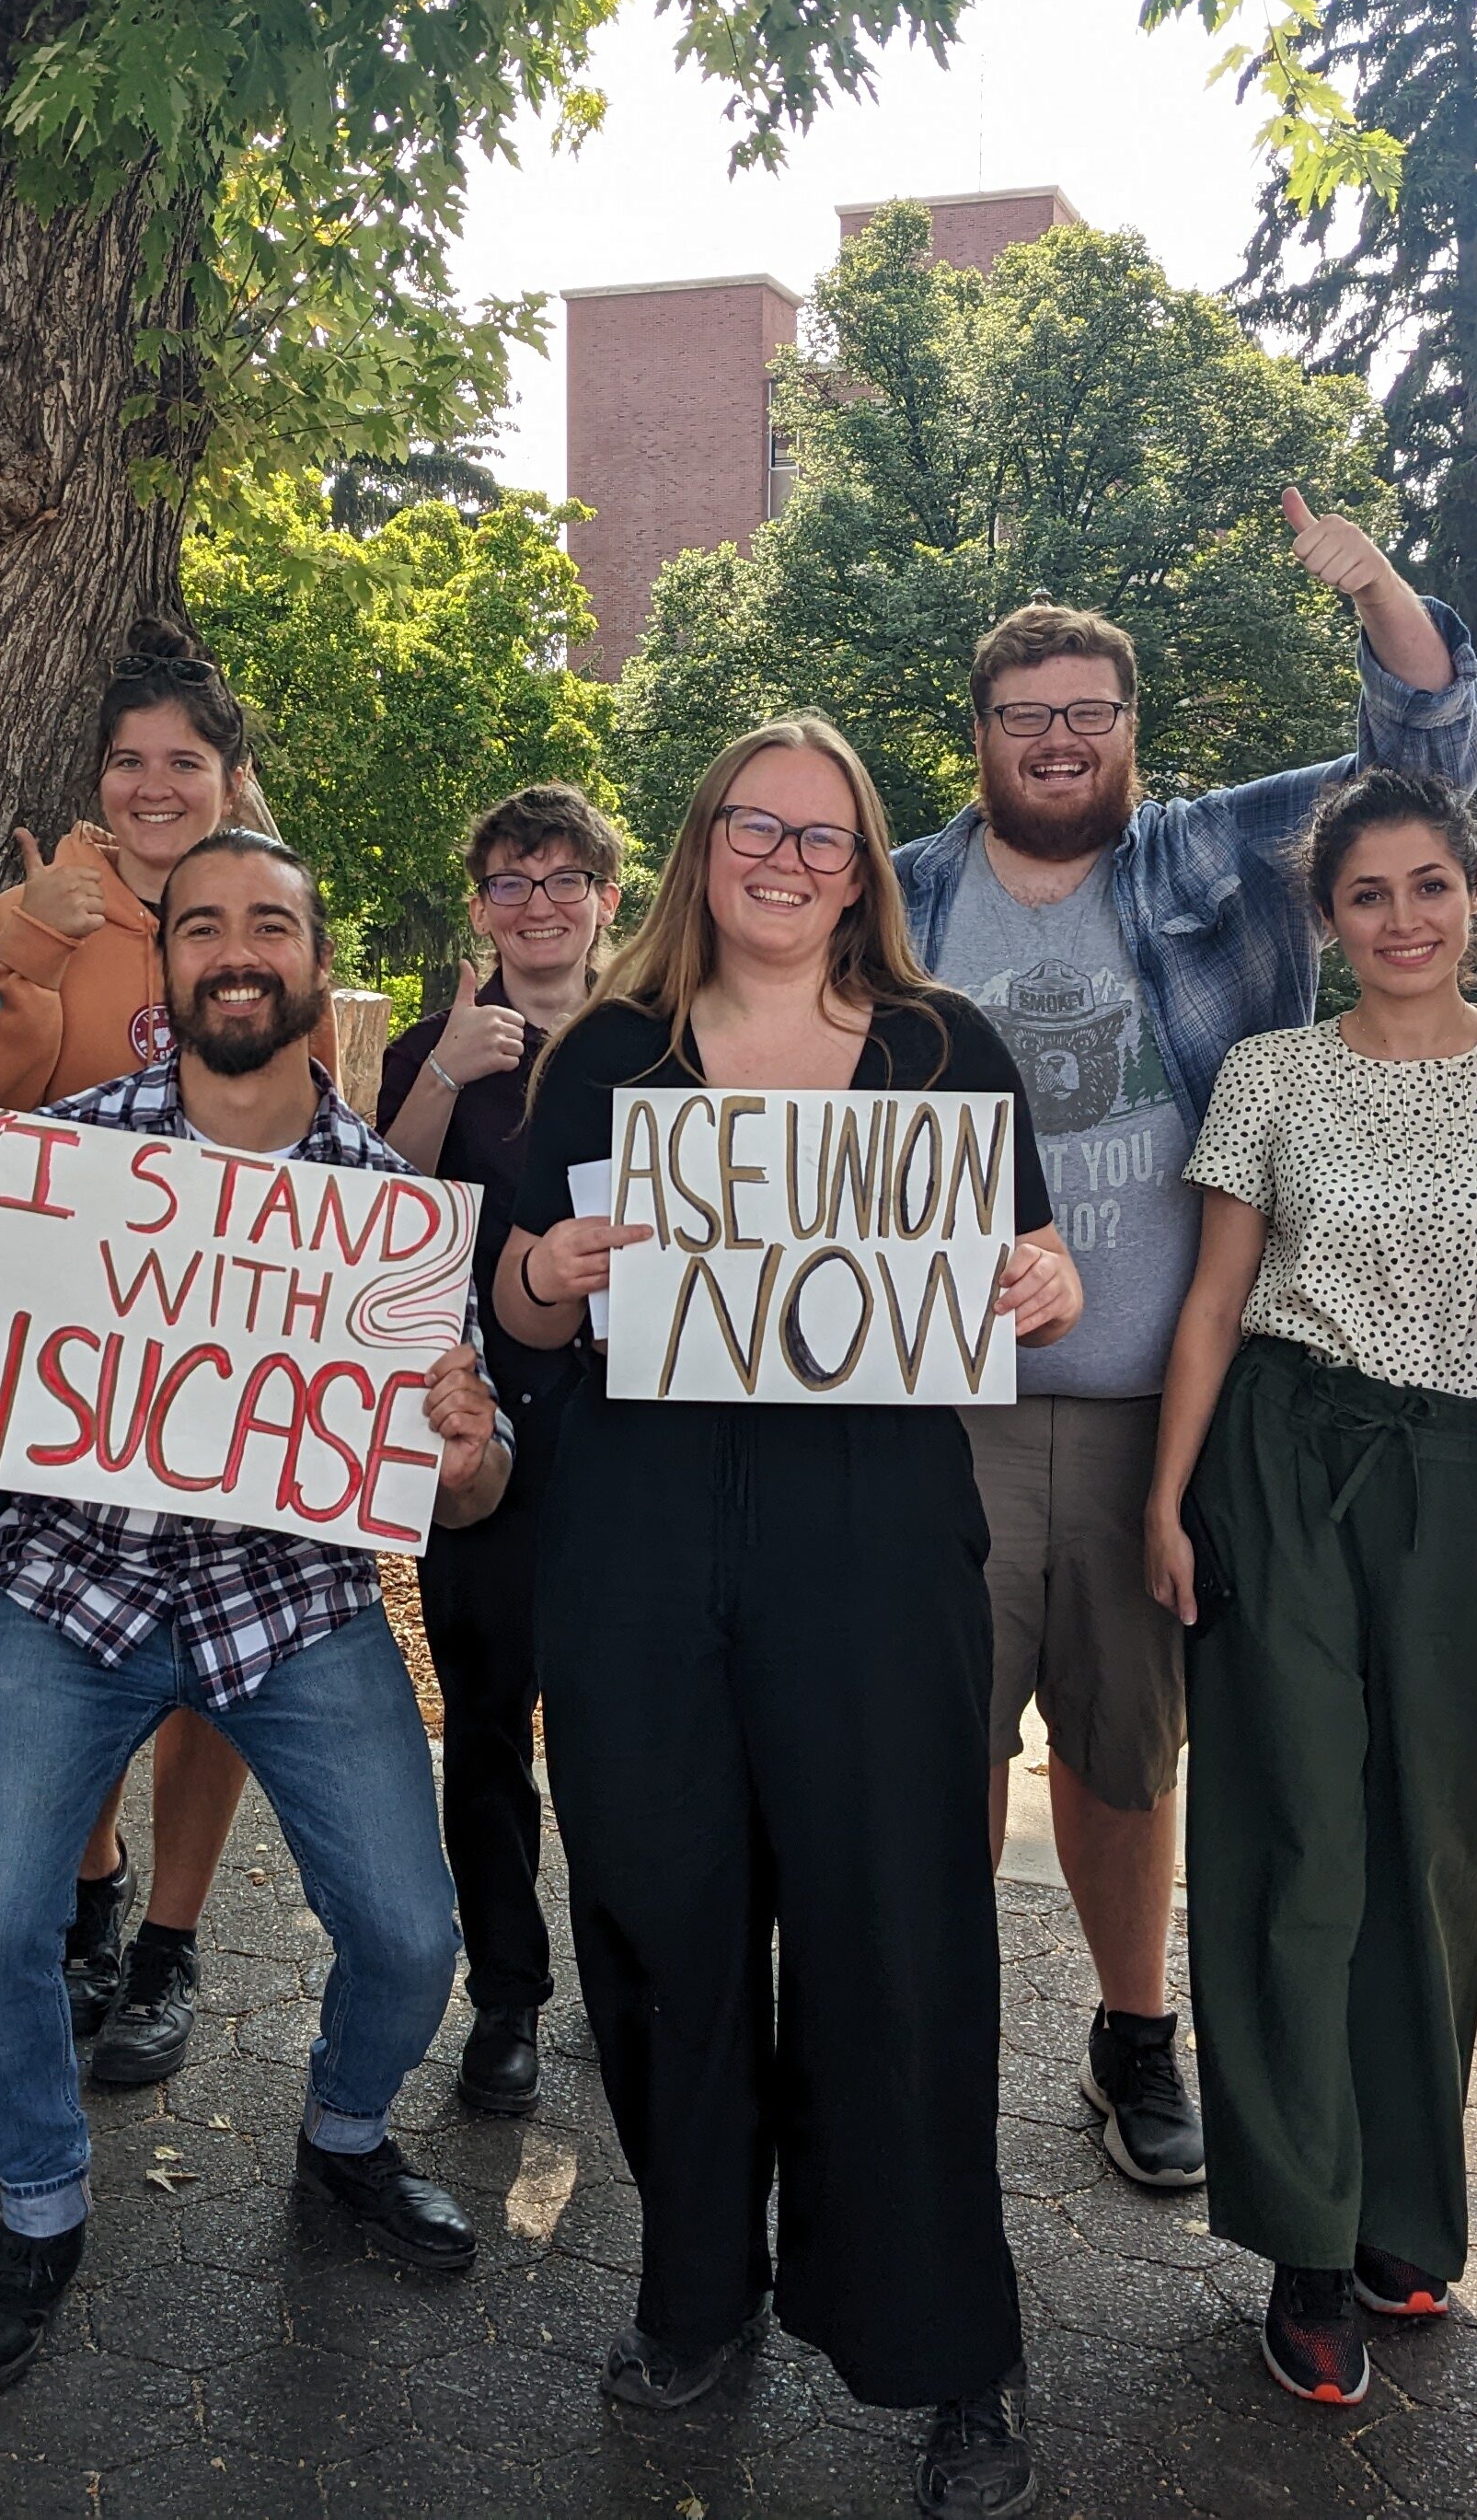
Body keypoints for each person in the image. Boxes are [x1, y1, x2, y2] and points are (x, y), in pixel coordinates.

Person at [0, 829, 512, 2394]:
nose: (238, 949)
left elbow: (464, 1485)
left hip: (293, 1602)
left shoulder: (392, 1214)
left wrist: (469, 1451)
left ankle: (343, 2131)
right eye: (204, 926)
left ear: (321, 968)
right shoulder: (46, 1164)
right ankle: (40, 2207)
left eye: (273, 921)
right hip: (72, 1589)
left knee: (409, 1933)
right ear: (171, 961)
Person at [497, 720, 1082, 2520]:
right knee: (664, 1937)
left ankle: (945, 2345)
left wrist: (1043, 1283)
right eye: (758, 826)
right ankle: (697, 2296)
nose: (787, 859)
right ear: (704, 845)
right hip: (638, 1550)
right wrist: (544, 1273)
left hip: (871, 1557)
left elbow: (1021, 1275)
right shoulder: (607, 1053)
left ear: (864, 871)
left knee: (894, 1944)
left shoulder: (941, 1051)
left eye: (824, 839)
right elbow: (515, 1309)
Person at [889, 492, 1477, 2192]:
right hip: (942, 1407)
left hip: (1171, 1406)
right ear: (983, 735)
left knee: (1122, 1742)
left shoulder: (1222, 856)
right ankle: (916, 2031)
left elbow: (1429, 765)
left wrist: (1373, 582)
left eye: (1090, 712)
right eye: (1028, 716)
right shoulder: (900, 891)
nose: (1060, 739)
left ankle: (1132, 2034)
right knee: (929, 1736)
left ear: (1129, 729)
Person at [1144, 770, 1477, 2409]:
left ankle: (1404, 2202)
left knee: (1435, 1847)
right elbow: (1210, 1299)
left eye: (1428, 885)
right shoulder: (1270, 1074)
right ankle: (1302, 2237)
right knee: (1298, 1836)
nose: (1401, 918)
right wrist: (1166, 1498)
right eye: (1365, 895)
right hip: (1285, 1455)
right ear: (1324, 919)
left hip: (1474, 1479)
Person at [0, 629, 328, 2087]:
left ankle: (172, 1946)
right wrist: (39, 938)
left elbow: (308, 1120)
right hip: (71, 1350)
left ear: (229, 775)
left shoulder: (264, 909)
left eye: (183, 758)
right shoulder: (32, 906)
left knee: (218, 1667)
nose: (151, 784)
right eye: (128, 760)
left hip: (226, 1345)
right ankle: (91, 1894)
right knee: (84, 1639)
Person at [372, 780, 624, 2118]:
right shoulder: (435, 1045)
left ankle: (629, 1980)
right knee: (484, 1719)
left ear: (607, 900)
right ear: (481, 908)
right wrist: (448, 1076)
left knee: (625, 1722)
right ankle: (509, 1996)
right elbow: (374, 1221)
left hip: (637, 1432)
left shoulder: (662, 1040)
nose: (538, 904)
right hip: (478, 1423)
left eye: (563, 879)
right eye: (512, 883)